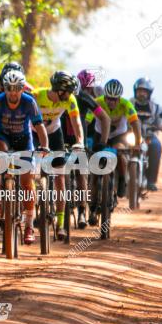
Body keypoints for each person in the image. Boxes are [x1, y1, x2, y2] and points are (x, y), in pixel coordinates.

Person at [0, 72, 49, 245]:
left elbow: (39, 127)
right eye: (9, 89)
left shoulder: (29, 102)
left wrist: (44, 146)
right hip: (3, 136)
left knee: (26, 182)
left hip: (24, 139)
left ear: (23, 89)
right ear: (4, 88)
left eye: (17, 89)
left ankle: (29, 226)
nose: (13, 93)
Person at [33, 71, 85, 239]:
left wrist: (80, 142)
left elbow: (76, 122)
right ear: (60, 90)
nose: (71, 95)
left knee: (60, 177)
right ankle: (26, 210)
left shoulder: (70, 100)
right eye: (69, 91)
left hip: (55, 134)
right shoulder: (36, 96)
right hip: (33, 133)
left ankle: (61, 222)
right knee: (30, 171)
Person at [60, 69, 111, 228]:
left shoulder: (83, 97)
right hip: (60, 141)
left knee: (82, 172)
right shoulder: (54, 99)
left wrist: (102, 142)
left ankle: (82, 211)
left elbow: (104, 118)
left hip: (79, 141)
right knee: (57, 172)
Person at [86, 79, 141, 220]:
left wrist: (137, 143)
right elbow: (86, 121)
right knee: (94, 169)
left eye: (114, 99)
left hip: (119, 136)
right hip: (100, 135)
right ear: (104, 97)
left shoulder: (126, 104)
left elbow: (135, 123)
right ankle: (92, 206)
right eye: (109, 99)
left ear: (119, 98)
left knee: (121, 154)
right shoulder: (97, 102)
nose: (111, 102)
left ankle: (122, 179)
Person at [132, 77, 162, 191]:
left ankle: (151, 181)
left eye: (144, 91)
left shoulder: (156, 106)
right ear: (135, 91)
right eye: (139, 91)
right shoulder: (129, 103)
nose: (142, 94)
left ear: (149, 93)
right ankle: (120, 180)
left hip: (149, 135)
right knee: (120, 149)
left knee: (156, 146)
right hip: (132, 136)